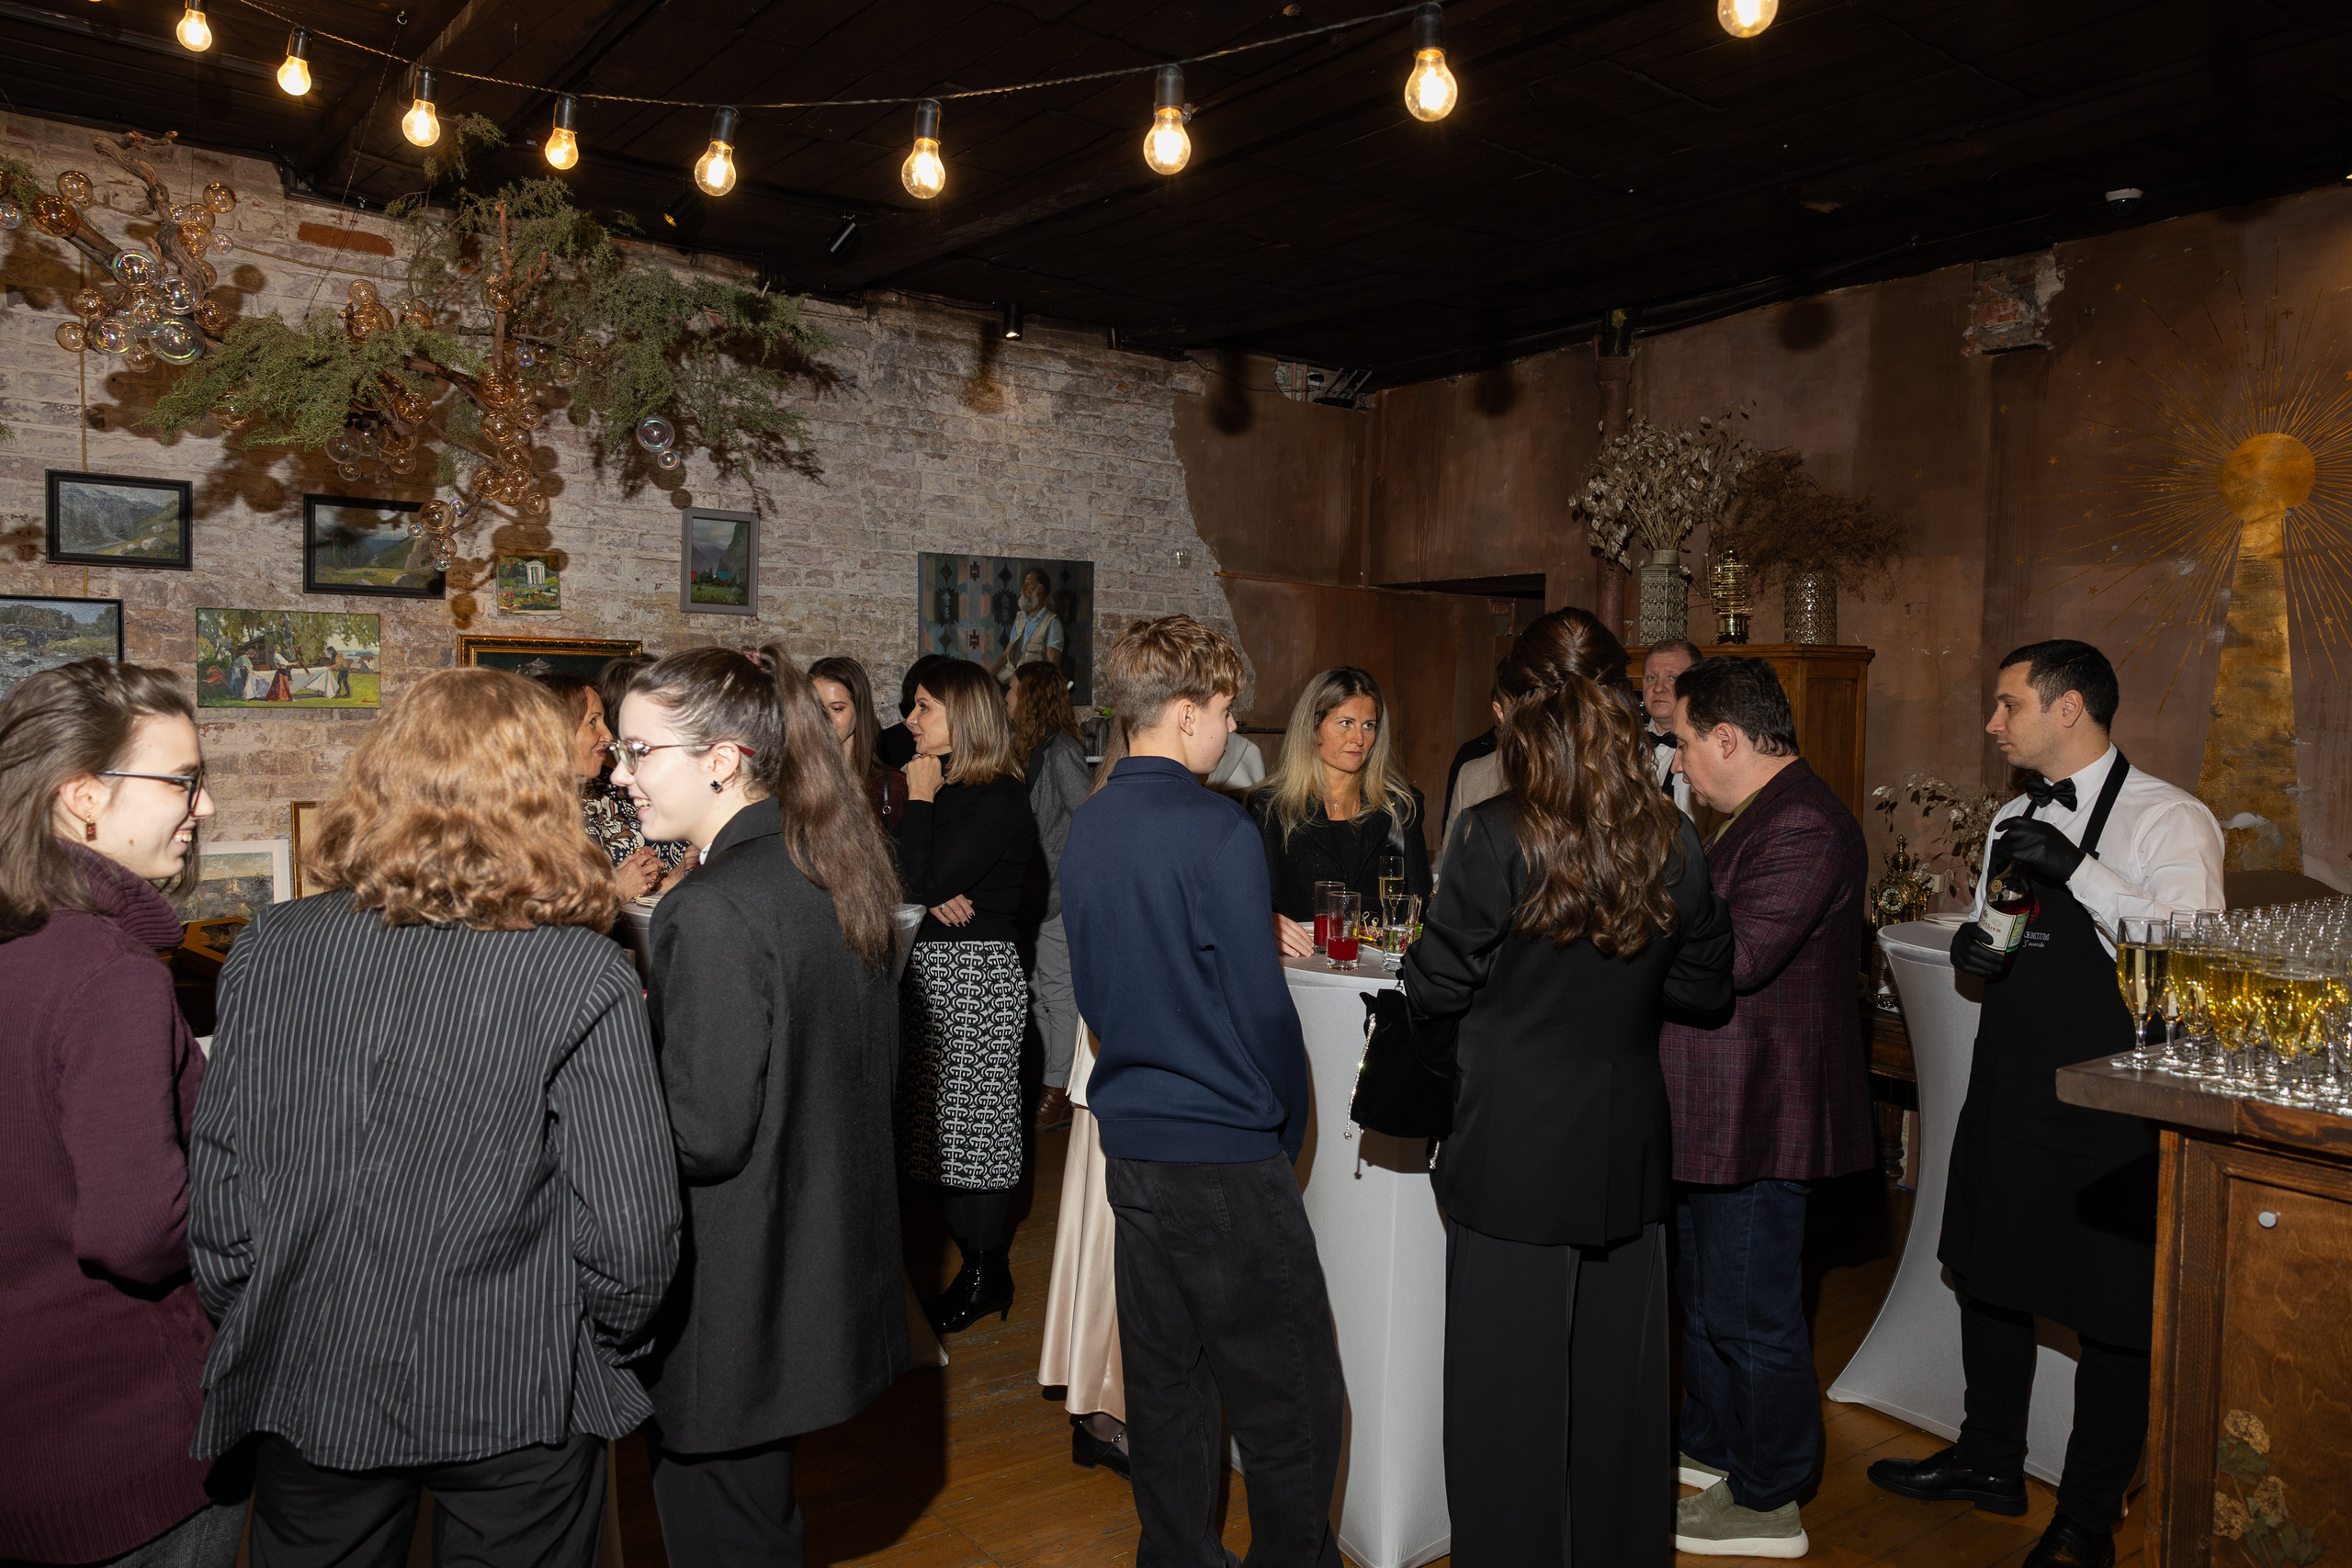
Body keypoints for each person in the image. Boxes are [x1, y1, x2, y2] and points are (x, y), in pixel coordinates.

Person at [187, 669, 681, 1567]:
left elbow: (220, 1192)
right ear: (540, 798)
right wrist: (595, 1343)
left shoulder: (270, 947)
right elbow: (632, 1236)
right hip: (513, 1384)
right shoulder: (580, 973)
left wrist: (266, 1310)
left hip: (313, 1373)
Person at [1870, 640, 2223, 1568]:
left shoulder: (2170, 818)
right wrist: (1979, 943)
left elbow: (2189, 957)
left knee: (2111, 1309)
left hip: (2113, 1104)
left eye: (2008, 704)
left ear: (2069, 707)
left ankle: (2086, 1517)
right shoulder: (2014, 813)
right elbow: (2007, 926)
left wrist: (2080, 869)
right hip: (2013, 1081)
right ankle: (1989, 1458)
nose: (1993, 723)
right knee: (1989, 1272)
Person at [1406, 608, 1733, 1568]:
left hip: (1512, 1149)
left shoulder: (1494, 833)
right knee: (1620, 1406)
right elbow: (1705, 988)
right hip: (1625, 1147)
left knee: (1506, 1407)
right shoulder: (1672, 835)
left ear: (1525, 713)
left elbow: (1432, 987)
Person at [610, 645, 910, 1568]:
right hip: (808, 1274)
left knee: (722, 1529)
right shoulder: (828, 866)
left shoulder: (712, 905)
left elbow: (702, 1133)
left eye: (639, 752)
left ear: (722, 759)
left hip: (732, 1296)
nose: (620, 776)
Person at [1061, 614, 1345, 1568]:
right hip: (1224, 1150)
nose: (1231, 730)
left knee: (1168, 1384)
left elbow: (1094, 998)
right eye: (1225, 711)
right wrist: (1285, 1123)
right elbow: (1261, 1011)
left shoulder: (1090, 824)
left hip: (1135, 1148)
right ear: (1184, 713)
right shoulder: (1217, 829)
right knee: (1292, 1399)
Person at [0, 660, 243, 1568]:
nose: (204, 806)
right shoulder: (107, 974)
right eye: (181, 781)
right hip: (123, 1442)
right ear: (83, 799)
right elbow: (136, 1232)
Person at [1657, 655, 1873, 1559]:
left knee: (1753, 1313)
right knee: (1708, 1303)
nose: (1676, 762)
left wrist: (1640, 910)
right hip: (1715, 1110)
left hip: (1759, 1115)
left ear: (1726, 737)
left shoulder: (1805, 824)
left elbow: (1737, 959)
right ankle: (1715, 1445)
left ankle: (1771, 1495)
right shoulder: (1758, 815)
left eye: (1680, 743)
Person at [893, 658, 1037, 1332]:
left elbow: (915, 874)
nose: (910, 718)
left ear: (966, 715)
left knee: (976, 1136)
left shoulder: (998, 795)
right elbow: (901, 871)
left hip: (977, 977)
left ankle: (985, 1275)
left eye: (924, 706)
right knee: (938, 1139)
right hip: (932, 974)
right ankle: (983, 1265)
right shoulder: (947, 789)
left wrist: (920, 808)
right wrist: (928, 883)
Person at [1251, 665, 1431, 957]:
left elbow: (1418, 903)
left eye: (1368, 725)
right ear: (1313, 727)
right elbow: (1260, 900)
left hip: (1380, 965)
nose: (1359, 738)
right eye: (1346, 723)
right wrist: (1266, 922)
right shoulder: (1271, 806)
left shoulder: (1401, 805)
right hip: (1302, 964)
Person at [1009, 660, 1091, 1132]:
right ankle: (1044, 1082)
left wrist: (1064, 871)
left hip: (1056, 893)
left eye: (1012, 690)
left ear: (1032, 695)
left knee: (1059, 995)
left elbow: (1088, 817)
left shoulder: (1060, 751)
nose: (1007, 698)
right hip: (1035, 892)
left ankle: (1058, 1094)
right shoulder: (1034, 748)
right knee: (1039, 993)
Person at [534, 669, 680, 899]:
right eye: (593, 721)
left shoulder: (564, 800)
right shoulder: (525, 813)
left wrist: (634, 878)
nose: (608, 736)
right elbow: (541, 915)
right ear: (553, 731)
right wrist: (617, 892)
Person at [810, 654, 910, 832]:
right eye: (815, 708)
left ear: (859, 709)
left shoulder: (893, 787)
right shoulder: (792, 783)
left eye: (837, 709)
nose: (824, 719)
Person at [1641, 637, 1701, 817]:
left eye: (1672, 677)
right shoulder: (1622, 746)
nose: (1658, 688)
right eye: (1651, 677)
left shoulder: (1710, 752)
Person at [992, 567, 1065, 683]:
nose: (1023, 588)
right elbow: (1006, 654)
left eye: (1029, 584)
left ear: (1040, 589)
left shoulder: (1052, 622)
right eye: (1024, 583)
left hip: (1033, 683)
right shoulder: (1020, 617)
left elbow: (1052, 669)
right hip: (1010, 678)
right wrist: (990, 674)